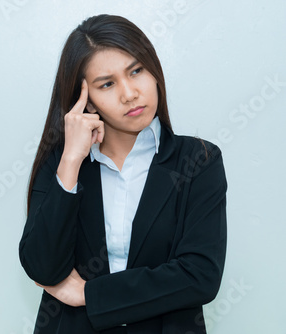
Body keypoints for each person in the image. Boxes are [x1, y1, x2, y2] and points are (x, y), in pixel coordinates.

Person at [18, 14, 227, 334]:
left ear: (153, 70)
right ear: (85, 101)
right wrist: (71, 161)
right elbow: (43, 268)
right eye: (107, 84)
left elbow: (199, 276)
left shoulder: (199, 159)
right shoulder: (62, 164)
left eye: (136, 71)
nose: (130, 93)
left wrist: (90, 294)